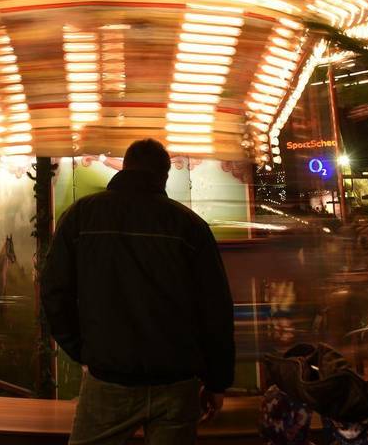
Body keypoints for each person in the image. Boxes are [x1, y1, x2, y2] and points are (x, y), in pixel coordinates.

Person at [42, 138, 235, 444]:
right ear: (164, 176)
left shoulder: (81, 216)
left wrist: (84, 351)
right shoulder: (190, 226)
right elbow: (216, 310)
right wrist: (217, 382)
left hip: (109, 377)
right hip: (176, 381)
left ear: (124, 168)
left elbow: (54, 291)